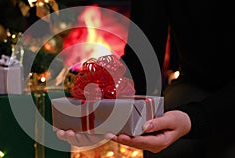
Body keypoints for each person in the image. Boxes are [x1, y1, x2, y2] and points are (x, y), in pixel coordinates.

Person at [57, 0, 235, 157]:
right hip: (196, 82)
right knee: (164, 141)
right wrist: (104, 108)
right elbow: (142, 58)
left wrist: (195, 119)